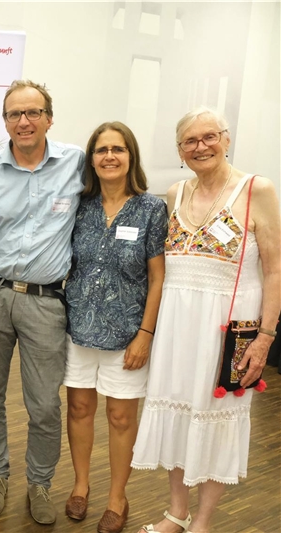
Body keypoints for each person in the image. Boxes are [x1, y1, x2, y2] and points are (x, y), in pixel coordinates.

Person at [131, 108, 280, 533]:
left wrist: (266, 336)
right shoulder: (176, 192)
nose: (201, 147)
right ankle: (175, 513)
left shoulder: (257, 189)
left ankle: (204, 522)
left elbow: (275, 268)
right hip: (178, 326)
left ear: (226, 139)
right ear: (180, 151)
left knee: (219, 421)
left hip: (230, 331)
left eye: (209, 137)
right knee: (178, 416)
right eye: (190, 142)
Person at [0, 79, 85, 524]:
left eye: (32, 113)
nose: (23, 122)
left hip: (47, 303)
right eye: (14, 114)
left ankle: (40, 484)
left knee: (44, 403)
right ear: (5, 121)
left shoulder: (76, 165)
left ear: (49, 117)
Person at [62, 122, 167, 533]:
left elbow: (158, 277)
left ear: (130, 157)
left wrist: (146, 333)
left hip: (128, 334)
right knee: (79, 408)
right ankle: (81, 485)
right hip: (78, 329)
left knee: (121, 417)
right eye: (101, 149)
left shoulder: (150, 209)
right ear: (91, 158)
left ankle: (117, 497)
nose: (109, 156)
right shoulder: (78, 205)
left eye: (118, 149)